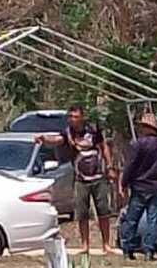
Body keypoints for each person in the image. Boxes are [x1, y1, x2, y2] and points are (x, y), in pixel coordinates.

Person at [35, 105, 118, 256]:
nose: (72, 119)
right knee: (82, 213)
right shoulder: (68, 133)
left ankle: (106, 244)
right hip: (81, 179)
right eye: (70, 116)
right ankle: (85, 245)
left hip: (98, 177)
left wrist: (110, 166)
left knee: (103, 212)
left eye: (75, 116)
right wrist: (44, 138)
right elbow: (57, 140)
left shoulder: (93, 130)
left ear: (82, 117)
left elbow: (103, 147)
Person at [118, 112, 157, 260]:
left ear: (146, 127)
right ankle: (149, 250)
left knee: (132, 218)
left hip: (138, 186)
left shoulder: (137, 144)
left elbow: (130, 166)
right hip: (156, 185)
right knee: (153, 219)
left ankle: (128, 249)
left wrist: (123, 183)